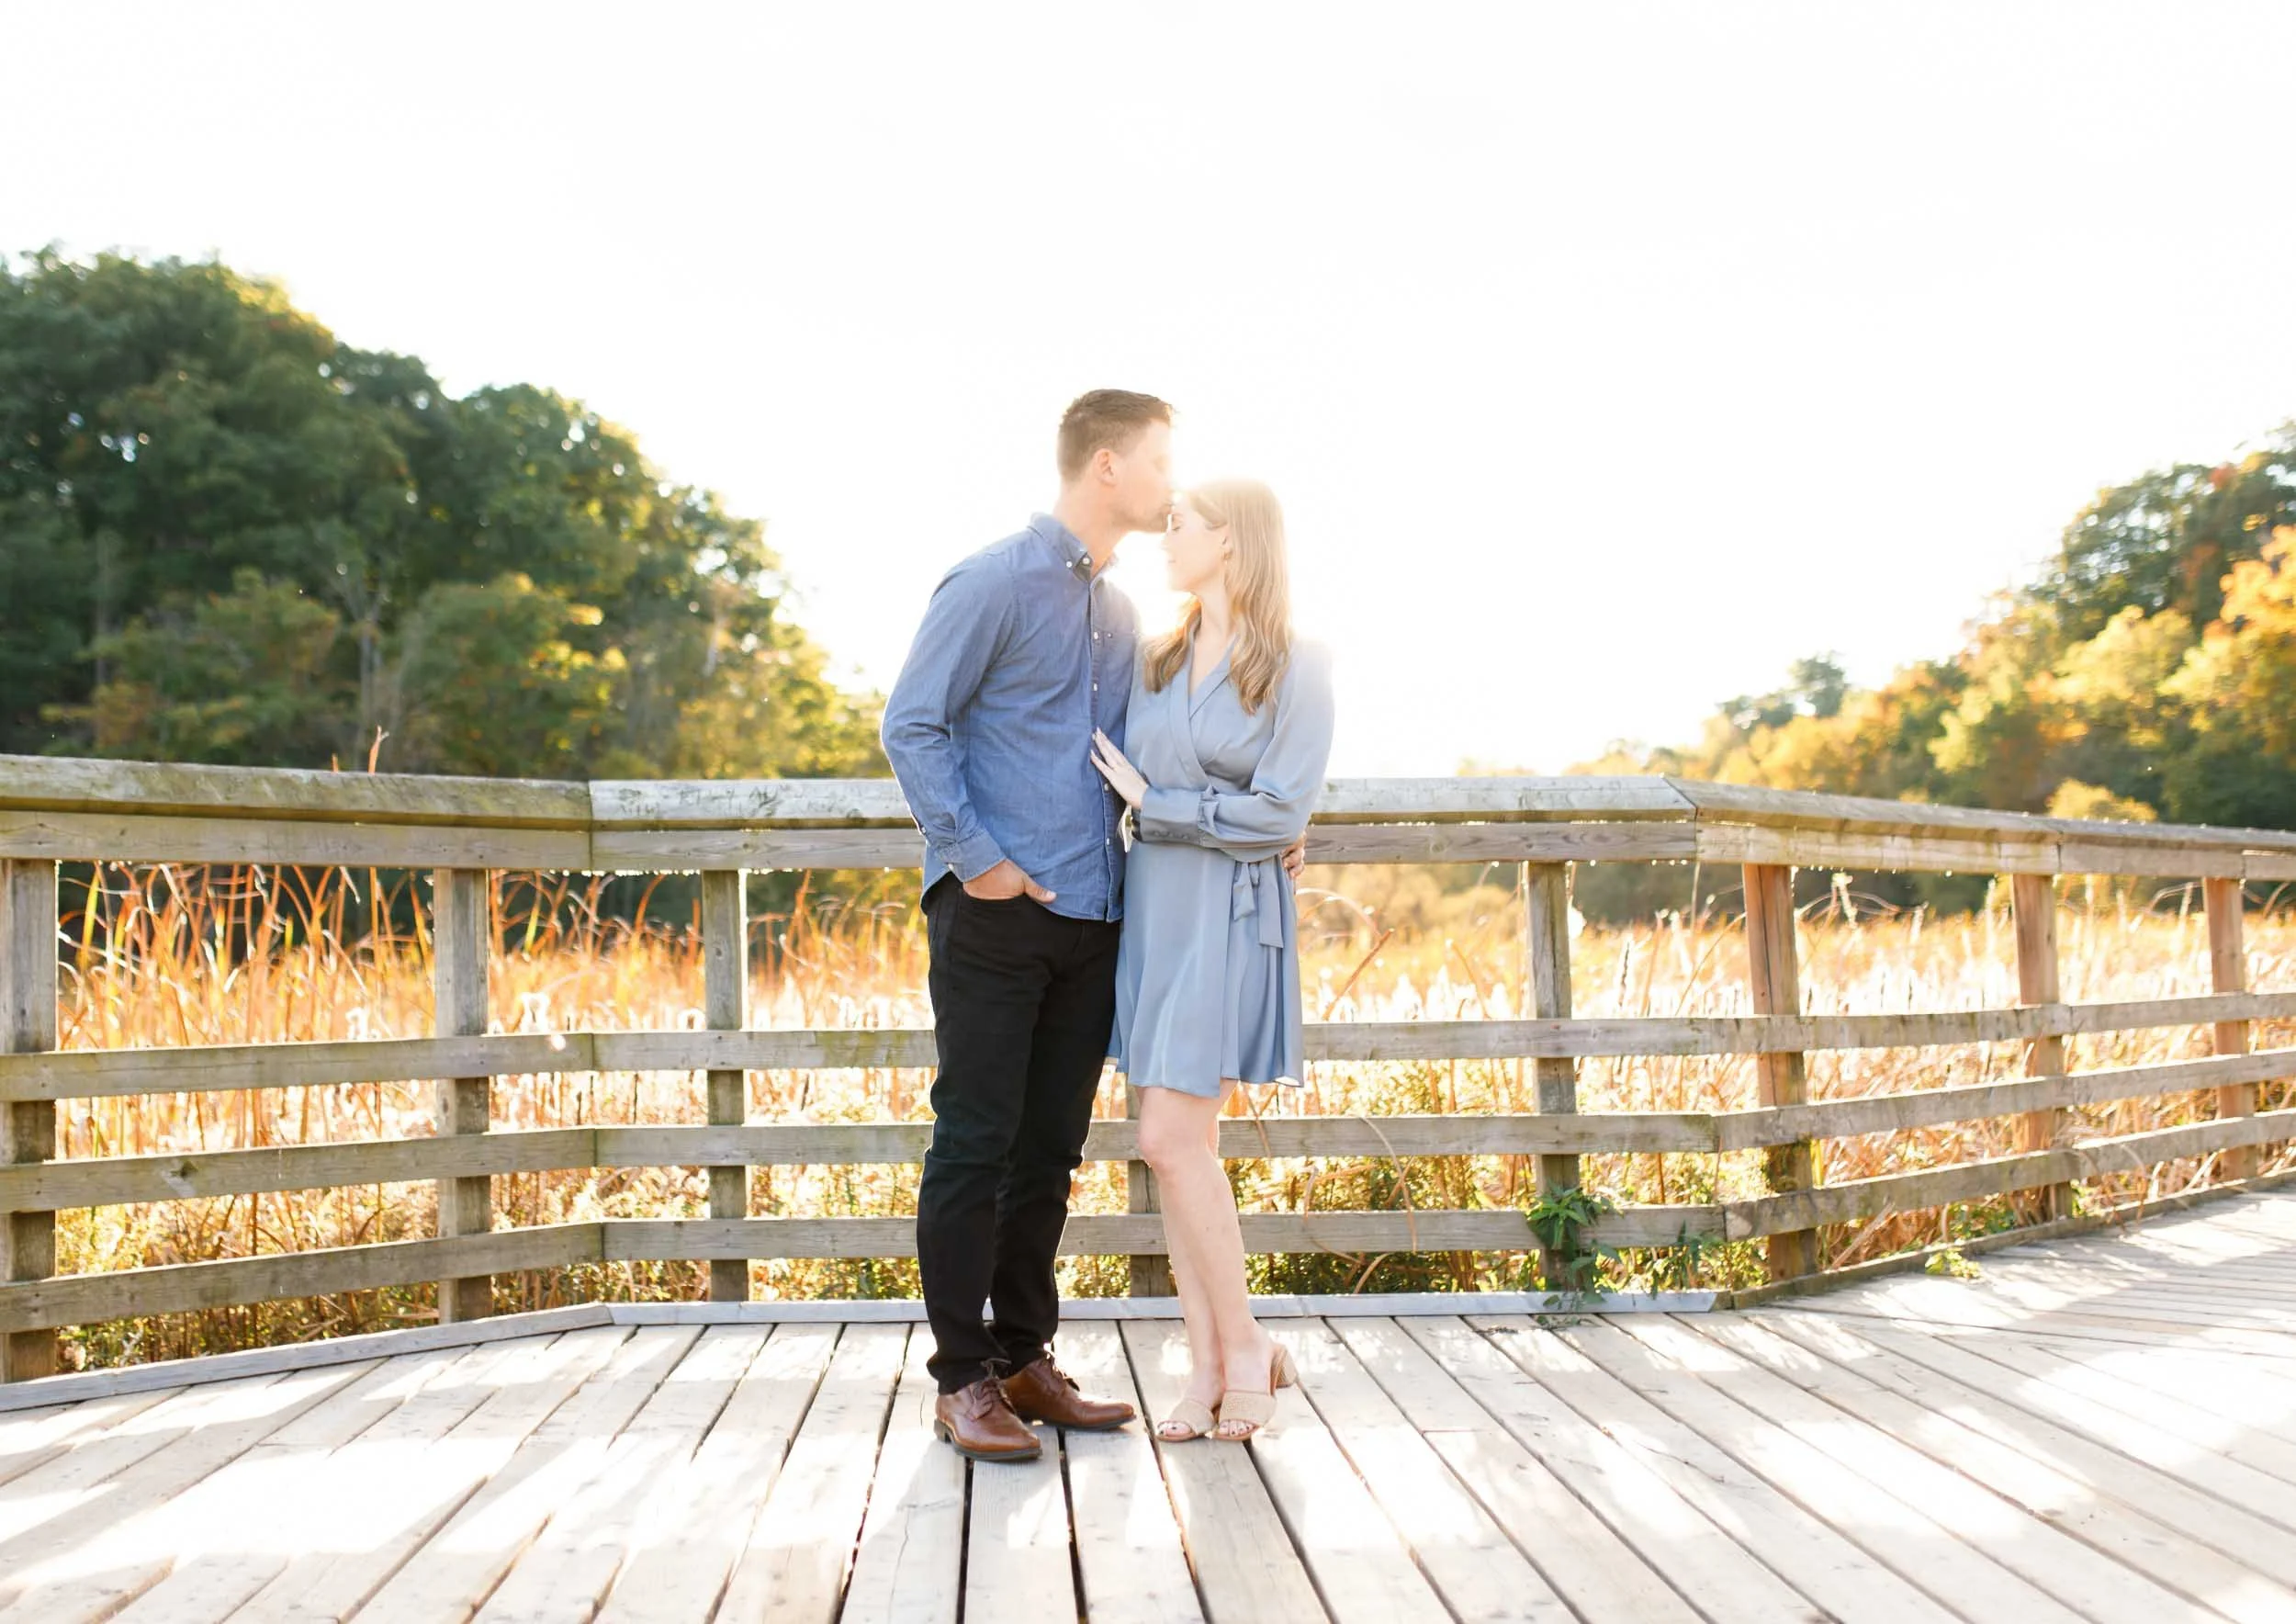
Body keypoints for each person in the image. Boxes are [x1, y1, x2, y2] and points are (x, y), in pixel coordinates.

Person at [881, 391, 1192, 1463]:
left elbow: (1146, 756)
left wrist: (1266, 825)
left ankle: (1023, 1356)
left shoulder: (1118, 614)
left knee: (1049, 1152)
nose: (1172, 480)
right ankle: (960, 1378)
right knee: (973, 1143)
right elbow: (910, 721)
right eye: (1159, 460)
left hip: (1096, 917)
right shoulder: (992, 580)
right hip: (996, 915)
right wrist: (980, 861)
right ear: (1106, 466)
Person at [1090, 479, 1335, 1442]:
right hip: (1152, 916)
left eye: (1183, 523)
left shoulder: (1298, 664)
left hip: (1230, 920)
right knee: (1185, 1150)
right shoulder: (1152, 659)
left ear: (1231, 542)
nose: (1166, 534)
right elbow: (1110, 771)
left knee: (1166, 1141)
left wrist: (1169, 811)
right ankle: (1208, 1364)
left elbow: (1281, 808)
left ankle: (1241, 1352)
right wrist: (1178, 816)